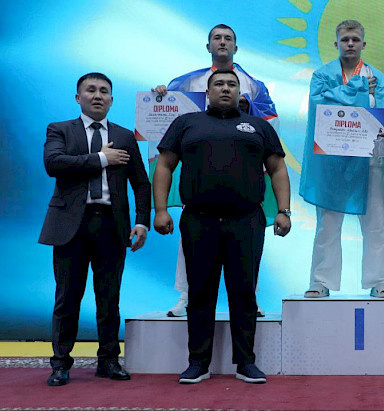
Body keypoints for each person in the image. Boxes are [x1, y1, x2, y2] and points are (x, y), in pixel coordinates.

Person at [153, 69, 291, 385]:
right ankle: (198, 363)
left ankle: (246, 363)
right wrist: (160, 210)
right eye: (219, 84)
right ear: (207, 92)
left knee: (244, 294)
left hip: (246, 221)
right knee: (200, 293)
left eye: (231, 84)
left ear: (240, 92)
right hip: (199, 220)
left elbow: (278, 169)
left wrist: (284, 211)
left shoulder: (258, 126)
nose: (225, 88)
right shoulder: (186, 123)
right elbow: (164, 166)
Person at [153, 23, 278, 317]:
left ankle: (251, 298)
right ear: (208, 46)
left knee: (247, 248)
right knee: (190, 237)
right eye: (217, 38)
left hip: (240, 171)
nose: (222, 42)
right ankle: (185, 297)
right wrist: (160, 95)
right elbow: (166, 117)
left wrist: (249, 108)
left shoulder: (254, 85)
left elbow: (271, 122)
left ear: (236, 47)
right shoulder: (187, 82)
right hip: (198, 167)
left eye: (228, 38)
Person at [40, 72, 151, 386]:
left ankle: (109, 361)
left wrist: (142, 221)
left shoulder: (125, 136)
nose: (98, 95)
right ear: (79, 98)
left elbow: (141, 183)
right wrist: (102, 158)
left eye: (104, 91)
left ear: (112, 100)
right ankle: (60, 364)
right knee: (67, 298)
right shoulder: (60, 129)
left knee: (109, 298)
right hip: (70, 226)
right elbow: (54, 164)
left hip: (111, 225)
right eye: (91, 90)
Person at [299, 20, 384, 298]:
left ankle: (380, 281)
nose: (350, 44)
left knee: (375, 221)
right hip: (332, 160)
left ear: (363, 44)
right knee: (328, 223)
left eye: (355, 40)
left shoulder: (378, 78)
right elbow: (320, 106)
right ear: (336, 43)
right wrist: (359, 88)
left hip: (370, 158)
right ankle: (320, 281)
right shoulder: (322, 76)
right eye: (345, 39)